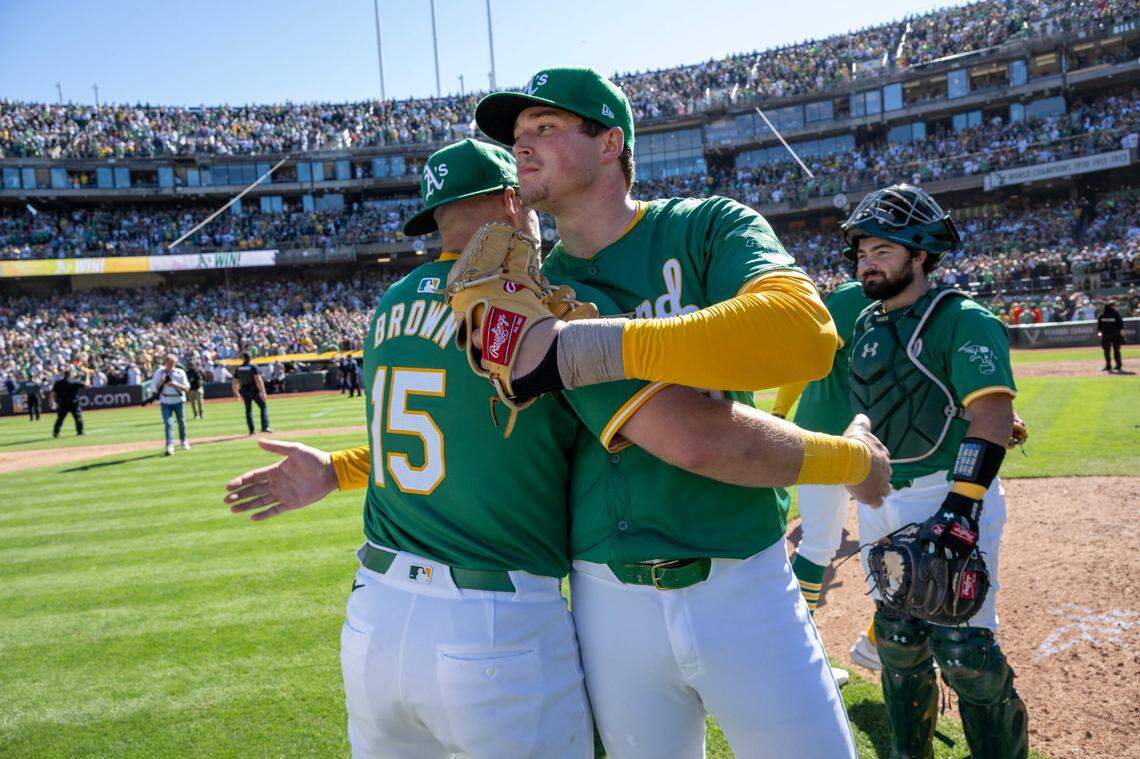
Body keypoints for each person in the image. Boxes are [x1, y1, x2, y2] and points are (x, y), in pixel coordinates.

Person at [224, 138, 889, 759]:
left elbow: (458, 437)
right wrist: (851, 457)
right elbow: (694, 437)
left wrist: (336, 470)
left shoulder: (388, 307)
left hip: (373, 621)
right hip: (490, 625)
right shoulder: (530, 309)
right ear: (514, 200)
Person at [467, 67, 880, 756]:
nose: (523, 148)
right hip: (608, 596)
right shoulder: (531, 293)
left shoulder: (707, 226)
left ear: (610, 144)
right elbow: (691, 438)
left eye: (544, 127)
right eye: (517, 137)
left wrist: (591, 346)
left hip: (743, 576)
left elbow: (804, 333)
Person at [842, 183, 1029, 758]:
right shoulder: (868, 325)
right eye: (862, 253)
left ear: (920, 256)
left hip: (950, 493)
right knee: (897, 640)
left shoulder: (962, 318)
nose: (866, 264)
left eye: (882, 252)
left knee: (964, 649)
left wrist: (960, 509)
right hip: (882, 497)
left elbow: (992, 414)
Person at [771, 279, 878, 676]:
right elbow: (810, 353)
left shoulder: (856, 295)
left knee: (824, 542)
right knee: (877, 543)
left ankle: (800, 652)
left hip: (839, 429)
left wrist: (783, 411)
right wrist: (781, 410)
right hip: (836, 431)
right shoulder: (856, 296)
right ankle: (802, 650)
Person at [153, 354, 191, 455]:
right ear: (165, 363)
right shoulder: (159, 373)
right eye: (168, 363)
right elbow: (154, 388)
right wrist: (161, 381)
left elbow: (187, 388)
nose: (170, 365)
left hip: (178, 400)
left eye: (172, 363)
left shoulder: (180, 372)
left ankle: (183, 440)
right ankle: (169, 444)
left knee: (181, 422)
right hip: (165, 400)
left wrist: (175, 384)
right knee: (168, 423)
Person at [232, 353, 272, 434]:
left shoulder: (239, 368)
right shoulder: (253, 367)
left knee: (248, 410)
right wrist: (263, 392)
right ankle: (265, 427)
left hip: (244, 390)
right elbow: (258, 380)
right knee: (263, 406)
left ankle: (251, 430)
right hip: (253, 389)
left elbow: (234, 382)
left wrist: (236, 393)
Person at [50, 369, 85, 438]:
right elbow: (87, 385)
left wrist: (52, 402)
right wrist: (88, 375)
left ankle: (55, 432)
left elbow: (52, 393)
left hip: (63, 403)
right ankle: (80, 432)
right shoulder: (75, 382)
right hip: (73, 403)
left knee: (60, 418)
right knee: (78, 417)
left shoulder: (58, 383)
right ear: (70, 375)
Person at [1097, 301, 1125, 371]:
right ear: (1111, 306)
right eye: (1113, 306)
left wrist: (1100, 334)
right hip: (1115, 335)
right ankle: (1118, 365)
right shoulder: (1115, 314)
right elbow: (1120, 325)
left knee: (1107, 351)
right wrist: (1122, 333)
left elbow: (1099, 328)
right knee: (1116, 350)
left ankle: (1108, 366)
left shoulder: (1102, 315)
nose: (1115, 307)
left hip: (1106, 335)